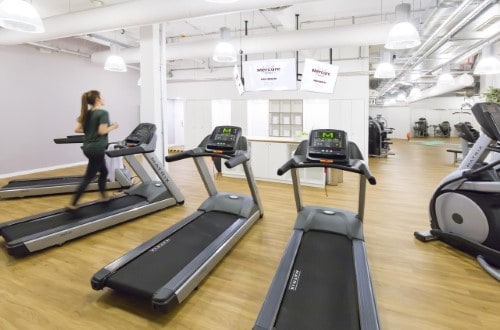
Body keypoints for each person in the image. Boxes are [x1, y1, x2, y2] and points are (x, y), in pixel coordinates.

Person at [67, 90, 118, 210]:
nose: (103, 98)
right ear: (97, 99)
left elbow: (77, 129)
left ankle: (104, 197)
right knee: (89, 177)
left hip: (87, 148)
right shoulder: (103, 113)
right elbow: (102, 131)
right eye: (102, 96)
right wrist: (113, 127)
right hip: (97, 148)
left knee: (104, 172)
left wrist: (90, 130)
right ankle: (72, 204)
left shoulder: (86, 113)